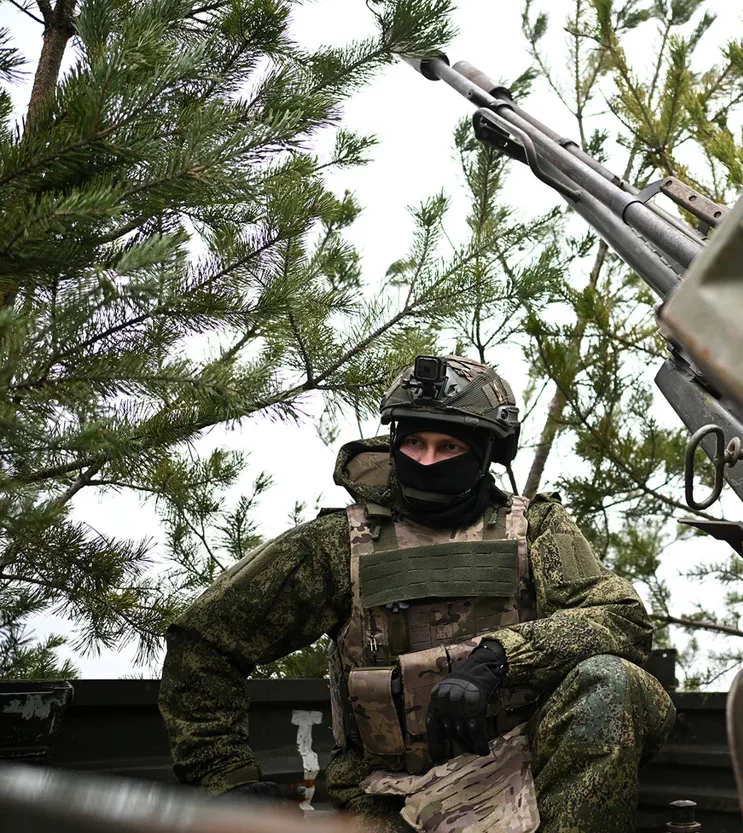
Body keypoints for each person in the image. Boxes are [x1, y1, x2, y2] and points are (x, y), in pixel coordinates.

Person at [159, 355, 676, 833]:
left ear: (486, 455)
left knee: (612, 681)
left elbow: (620, 617)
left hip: (527, 772)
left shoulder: (536, 528)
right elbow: (205, 641)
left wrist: (498, 657)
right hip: (390, 794)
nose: (427, 461)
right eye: (414, 443)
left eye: (449, 447)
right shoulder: (337, 544)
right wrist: (225, 778)